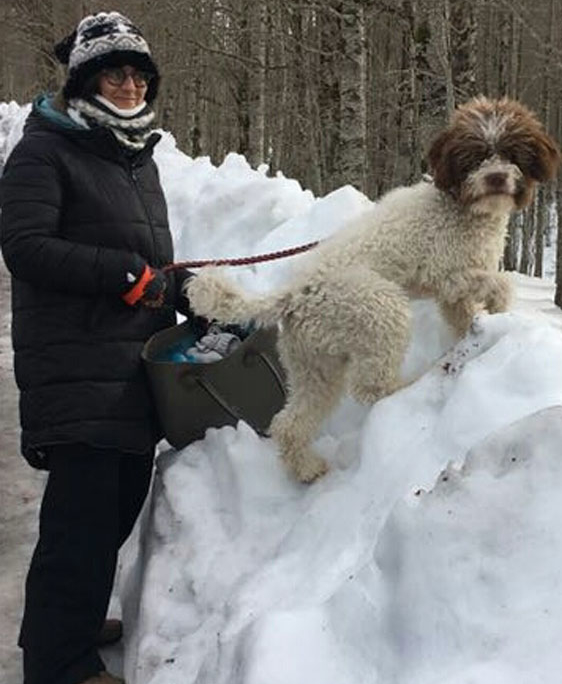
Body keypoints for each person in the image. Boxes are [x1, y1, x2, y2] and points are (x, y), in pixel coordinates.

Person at [0, 11, 193, 684]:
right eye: (114, 73)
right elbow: (25, 247)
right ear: (85, 81)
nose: (130, 86)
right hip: (75, 364)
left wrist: (181, 288)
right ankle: (59, 664)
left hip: (124, 367)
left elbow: (142, 260)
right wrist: (121, 274)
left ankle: (69, 622)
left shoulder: (130, 157)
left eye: (139, 74)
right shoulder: (44, 151)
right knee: (78, 530)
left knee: (110, 511)